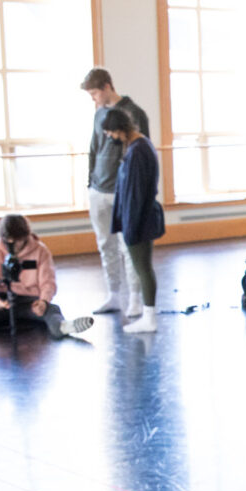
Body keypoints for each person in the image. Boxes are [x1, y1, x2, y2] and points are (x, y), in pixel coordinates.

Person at [0, 214, 93, 343]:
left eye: (18, 240)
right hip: (2, 302)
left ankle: (63, 327)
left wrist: (43, 301)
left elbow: (48, 281)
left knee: (52, 310)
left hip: (31, 301)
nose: (13, 245)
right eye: (9, 241)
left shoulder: (41, 251)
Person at [81, 68, 151, 317]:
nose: (94, 99)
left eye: (95, 93)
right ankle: (113, 294)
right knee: (105, 244)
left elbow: (142, 151)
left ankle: (135, 298)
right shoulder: (99, 114)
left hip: (122, 191)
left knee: (128, 246)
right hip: (98, 189)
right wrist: (90, 181)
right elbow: (94, 148)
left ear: (107, 87)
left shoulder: (134, 113)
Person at [101, 107, 165, 334]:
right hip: (138, 219)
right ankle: (148, 316)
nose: (111, 137)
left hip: (139, 221)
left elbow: (136, 194)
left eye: (111, 133)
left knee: (142, 268)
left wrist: (131, 227)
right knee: (142, 267)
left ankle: (149, 317)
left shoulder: (138, 151)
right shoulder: (138, 147)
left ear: (120, 129)